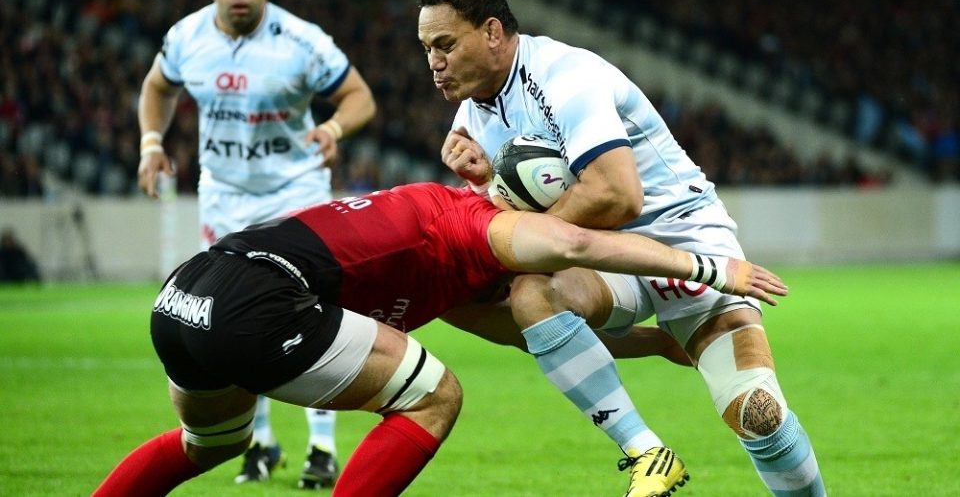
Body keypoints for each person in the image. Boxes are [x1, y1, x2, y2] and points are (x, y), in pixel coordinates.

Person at [93, 181, 786, 497]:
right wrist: (711, 267)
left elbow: (534, 336)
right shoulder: (471, 221)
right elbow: (574, 242)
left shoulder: (451, 289)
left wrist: (659, 343)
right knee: (435, 398)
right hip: (258, 301)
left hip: (185, 296)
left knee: (212, 442)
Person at [418, 0, 825, 497]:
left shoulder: (566, 76)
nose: (434, 64)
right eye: (426, 49)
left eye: (445, 45)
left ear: (492, 32)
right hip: (604, 262)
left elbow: (616, 195)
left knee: (757, 414)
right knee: (527, 298)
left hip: (679, 237)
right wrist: (487, 184)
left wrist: (517, 229)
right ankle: (646, 452)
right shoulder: (470, 119)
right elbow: (517, 206)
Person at [135, 0, 376, 488]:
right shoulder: (186, 36)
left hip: (295, 191)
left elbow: (359, 96)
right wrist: (152, 142)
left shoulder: (303, 40)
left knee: (313, 310)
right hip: (223, 196)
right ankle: (261, 444)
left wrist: (334, 127)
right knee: (231, 314)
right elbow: (157, 87)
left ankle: (322, 447)